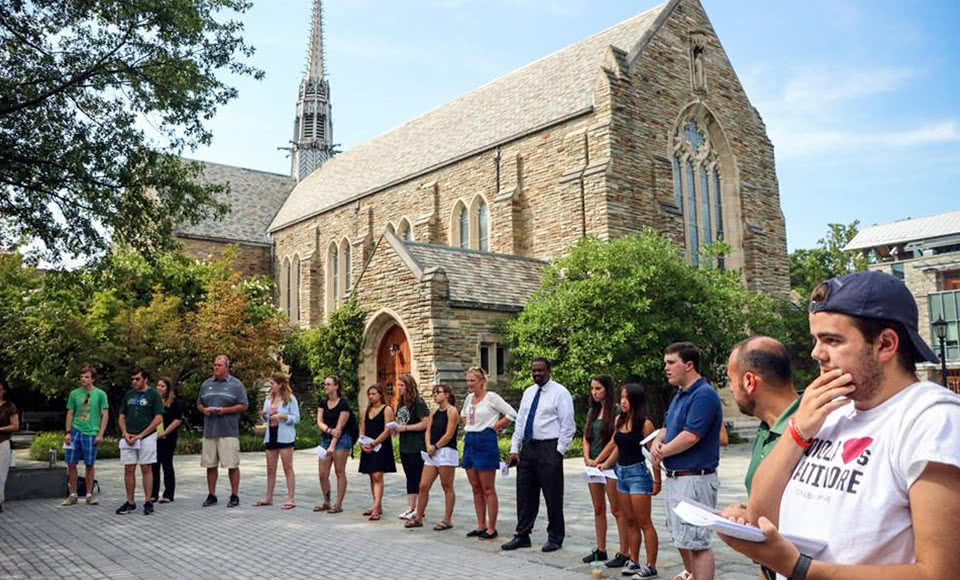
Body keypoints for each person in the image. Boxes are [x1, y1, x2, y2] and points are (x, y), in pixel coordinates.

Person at [720, 271, 960, 580]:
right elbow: (761, 515)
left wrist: (801, 569)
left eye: (832, 340)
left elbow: (941, 573)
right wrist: (796, 433)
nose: (816, 353)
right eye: (816, 339)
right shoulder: (830, 410)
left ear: (885, 344)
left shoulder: (931, 418)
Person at [718, 336, 798, 580]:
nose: (730, 389)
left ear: (749, 381)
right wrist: (747, 510)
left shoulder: (808, 429)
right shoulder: (766, 429)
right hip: (769, 567)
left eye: (731, 381)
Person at [650, 342, 722, 580]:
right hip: (678, 478)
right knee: (683, 537)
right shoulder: (680, 393)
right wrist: (658, 440)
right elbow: (668, 426)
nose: (666, 368)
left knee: (698, 542)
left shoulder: (704, 395)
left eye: (671, 363)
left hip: (694, 479)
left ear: (689, 365)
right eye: (665, 363)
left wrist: (662, 452)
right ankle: (690, 575)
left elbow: (691, 436)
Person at [503, 358, 575, 552]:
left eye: (540, 371)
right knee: (524, 494)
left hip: (549, 447)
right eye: (534, 371)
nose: (537, 374)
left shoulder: (560, 393)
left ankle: (555, 537)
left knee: (552, 495)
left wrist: (559, 450)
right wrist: (515, 449)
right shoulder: (528, 392)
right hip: (528, 447)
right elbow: (520, 422)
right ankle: (522, 535)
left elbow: (568, 424)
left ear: (549, 371)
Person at [596, 384, 661, 578]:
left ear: (636, 400)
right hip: (621, 474)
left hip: (638, 474)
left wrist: (657, 481)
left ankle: (651, 565)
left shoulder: (645, 424)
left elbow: (653, 454)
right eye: (621, 397)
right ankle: (633, 560)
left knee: (644, 521)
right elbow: (618, 446)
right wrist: (605, 463)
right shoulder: (619, 420)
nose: (622, 401)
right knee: (629, 520)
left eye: (626, 398)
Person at [461, 366, 516, 540]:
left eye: (472, 381)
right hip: (470, 439)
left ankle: (491, 528)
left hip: (485, 440)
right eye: (468, 380)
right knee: (475, 487)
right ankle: (480, 525)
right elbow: (464, 415)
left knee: (487, 487)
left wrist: (496, 426)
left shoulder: (491, 397)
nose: (469, 384)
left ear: (482, 381)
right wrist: (470, 425)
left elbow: (512, 414)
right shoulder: (469, 398)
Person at [580, 376, 628, 567]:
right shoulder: (593, 411)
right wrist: (587, 458)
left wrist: (601, 461)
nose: (594, 392)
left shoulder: (616, 411)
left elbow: (615, 440)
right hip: (593, 467)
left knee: (617, 509)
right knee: (598, 508)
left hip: (610, 466)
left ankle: (624, 552)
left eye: (598, 388)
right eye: (592, 388)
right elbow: (586, 437)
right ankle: (601, 549)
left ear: (607, 389)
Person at [405, 384, 459, 530]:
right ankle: (418, 517)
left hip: (446, 452)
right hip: (432, 452)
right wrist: (428, 445)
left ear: (446, 394)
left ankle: (447, 520)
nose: (435, 395)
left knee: (446, 485)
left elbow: (449, 434)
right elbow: (428, 430)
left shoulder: (452, 411)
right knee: (423, 485)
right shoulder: (434, 411)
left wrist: (436, 446)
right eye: (434, 393)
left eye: (438, 393)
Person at [197, 354, 249, 508]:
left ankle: (234, 495)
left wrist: (224, 410)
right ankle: (212, 494)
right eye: (215, 365)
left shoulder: (236, 385)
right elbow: (199, 403)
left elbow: (244, 405)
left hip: (228, 431)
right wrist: (203, 410)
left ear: (227, 367)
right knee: (210, 464)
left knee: (232, 464)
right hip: (210, 431)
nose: (216, 368)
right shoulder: (206, 384)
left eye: (219, 365)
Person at [116, 367, 164, 515]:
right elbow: (122, 415)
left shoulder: (153, 395)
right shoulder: (129, 395)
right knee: (129, 469)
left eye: (137, 379)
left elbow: (158, 418)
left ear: (145, 379)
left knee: (146, 468)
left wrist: (142, 435)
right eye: (133, 379)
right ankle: (130, 502)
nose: (134, 382)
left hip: (146, 437)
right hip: (129, 436)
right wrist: (125, 433)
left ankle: (148, 501)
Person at [62, 365, 109, 506]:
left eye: (87, 376)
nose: (83, 379)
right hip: (76, 430)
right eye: (82, 376)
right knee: (71, 463)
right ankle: (73, 494)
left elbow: (105, 414)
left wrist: (100, 434)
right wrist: (68, 431)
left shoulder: (100, 394)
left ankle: (89, 494)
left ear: (93, 379)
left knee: (89, 464)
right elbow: (70, 412)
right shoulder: (74, 394)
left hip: (91, 432)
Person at [256, 373, 299, 509]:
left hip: (285, 436)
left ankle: (291, 499)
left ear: (280, 385)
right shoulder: (268, 399)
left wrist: (284, 416)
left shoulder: (290, 399)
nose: (270, 386)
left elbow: (296, 418)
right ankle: (268, 497)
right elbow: (267, 418)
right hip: (271, 435)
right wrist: (263, 416)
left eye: (272, 383)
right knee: (270, 469)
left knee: (287, 468)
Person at [314, 375, 355, 514]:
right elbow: (319, 422)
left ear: (336, 386)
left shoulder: (343, 404)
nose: (325, 387)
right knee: (322, 473)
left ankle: (338, 504)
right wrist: (328, 430)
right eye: (325, 384)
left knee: (339, 471)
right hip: (326, 438)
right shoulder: (322, 402)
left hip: (342, 439)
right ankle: (326, 502)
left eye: (328, 384)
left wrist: (332, 445)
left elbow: (339, 429)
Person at [393, 373, 429, 520]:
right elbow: (400, 421)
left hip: (416, 446)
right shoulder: (401, 403)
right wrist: (396, 428)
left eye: (402, 385)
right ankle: (411, 507)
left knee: (418, 477)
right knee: (409, 477)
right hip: (404, 446)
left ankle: (420, 509)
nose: (399, 388)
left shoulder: (418, 403)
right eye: (398, 385)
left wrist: (406, 429)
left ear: (409, 386)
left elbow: (425, 423)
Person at [358, 383, 396, 520]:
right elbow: (362, 428)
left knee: (378, 476)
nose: (371, 396)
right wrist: (362, 443)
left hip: (381, 446)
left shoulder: (387, 410)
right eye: (369, 394)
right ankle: (377, 505)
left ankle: (376, 508)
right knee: (371, 476)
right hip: (367, 446)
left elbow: (388, 430)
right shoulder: (365, 410)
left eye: (374, 394)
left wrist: (374, 443)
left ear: (380, 394)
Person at [152, 376, 184, 503]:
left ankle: (168, 494)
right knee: (153, 466)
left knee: (167, 465)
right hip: (153, 437)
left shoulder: (175, 402)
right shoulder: (153, 401)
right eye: (158, 385)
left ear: (168, 388)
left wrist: (165, 432)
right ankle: (153, 493)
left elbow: (178, 419)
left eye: (162, 386)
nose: (159, 388)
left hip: (168, 437)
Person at [0, 377, 19, 514]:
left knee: (1, 474)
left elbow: (15, 426)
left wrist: (0, 429)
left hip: (2, 442)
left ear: (3, 390)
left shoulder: (9, 406)